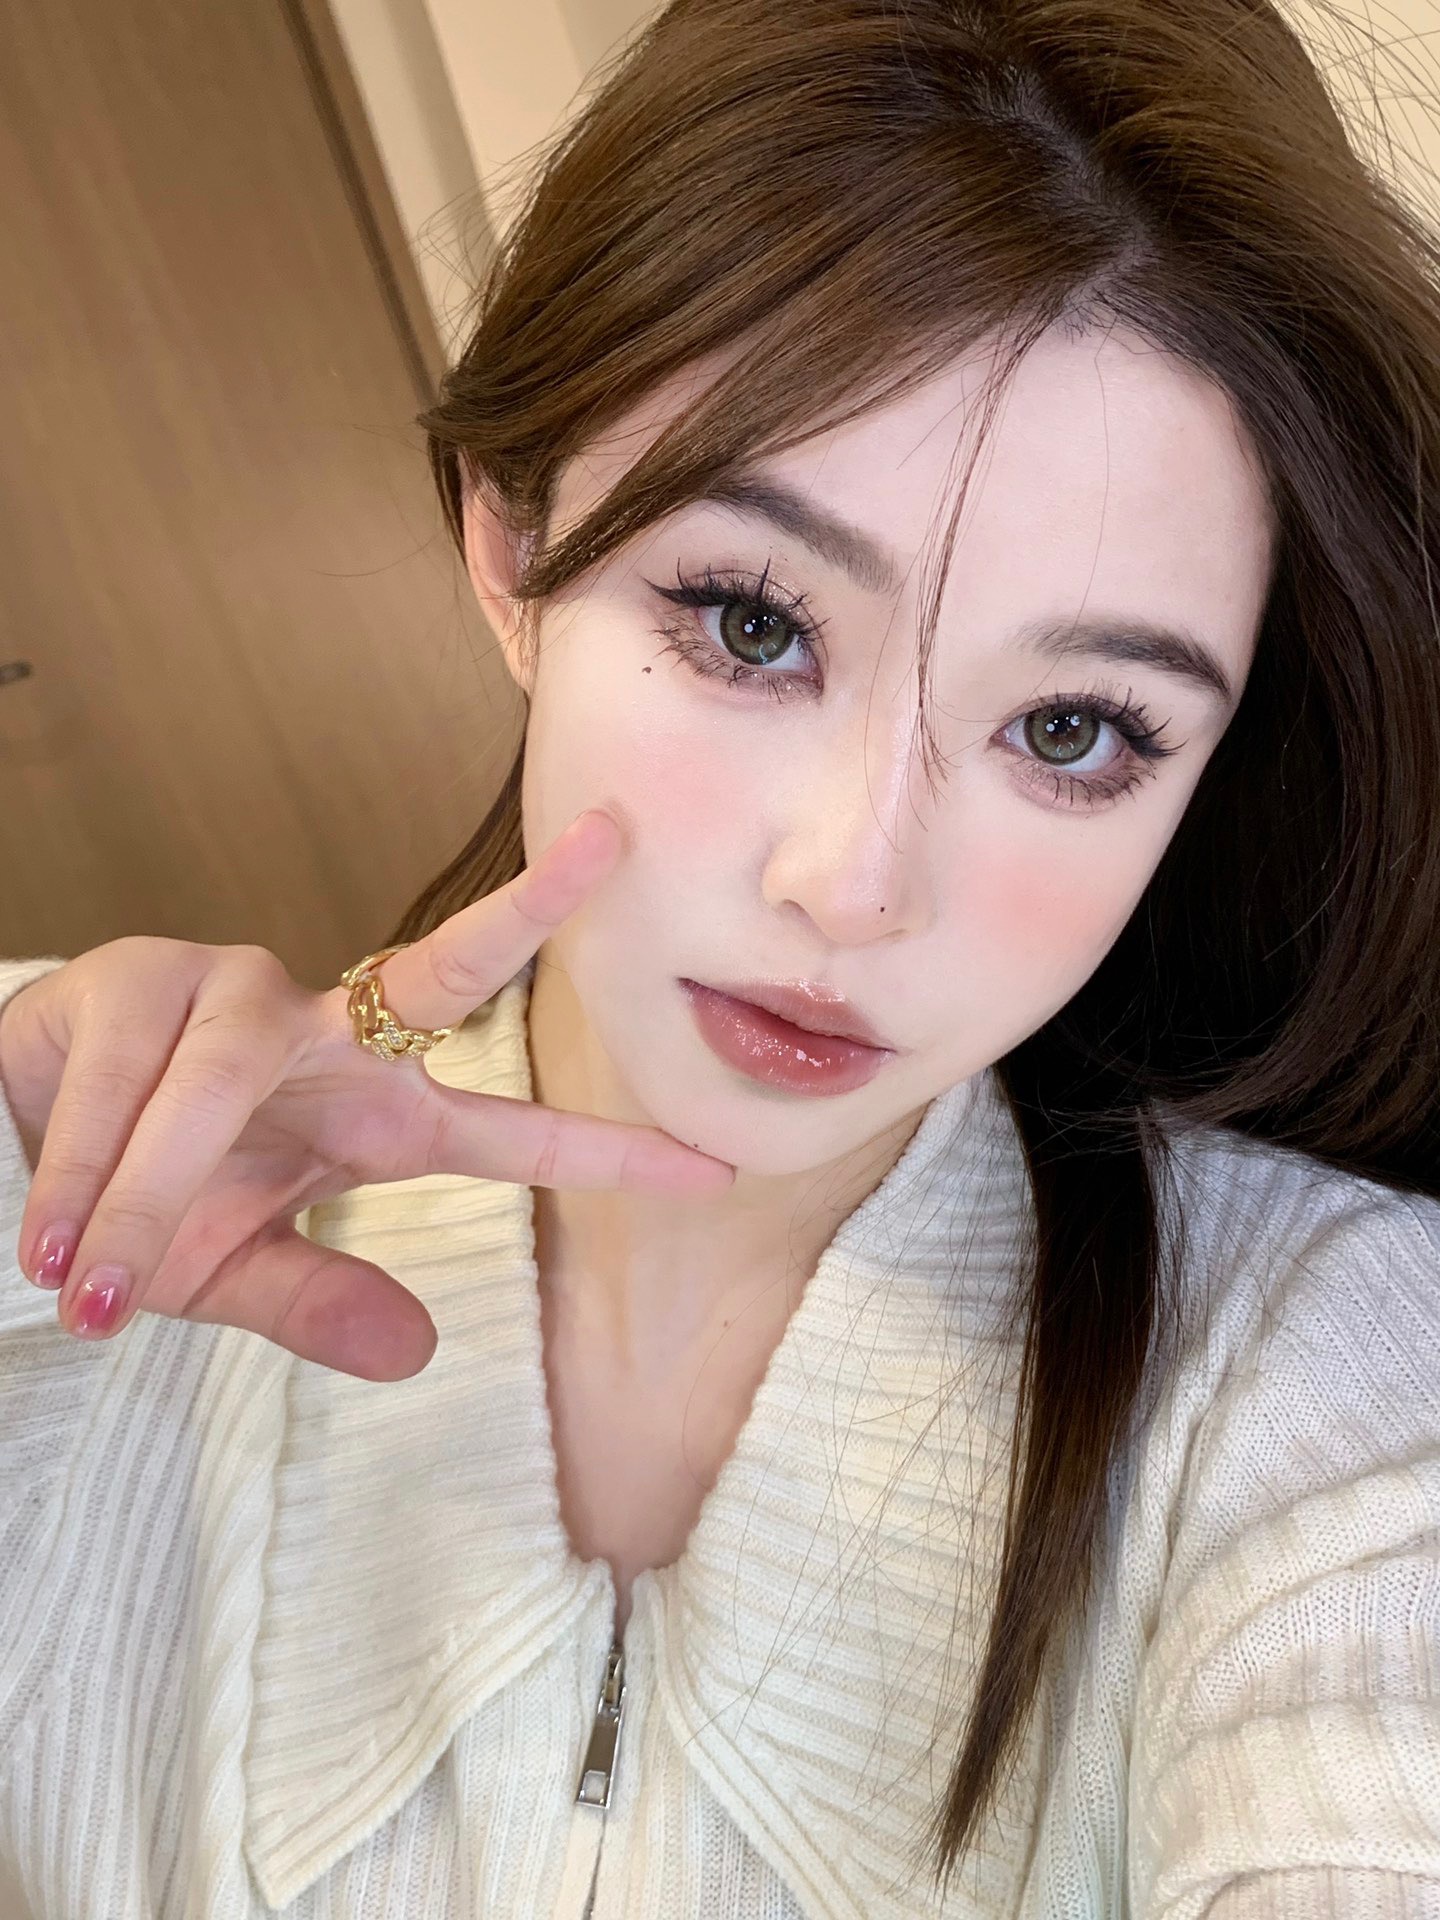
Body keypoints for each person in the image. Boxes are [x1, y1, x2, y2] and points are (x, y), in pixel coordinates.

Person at [2, 0, 1439, 1913]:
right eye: (756, 623)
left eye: (1075, 727)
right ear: (511, 548)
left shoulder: (1328, 1382)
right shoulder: (90, 1231)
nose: (855, 885)